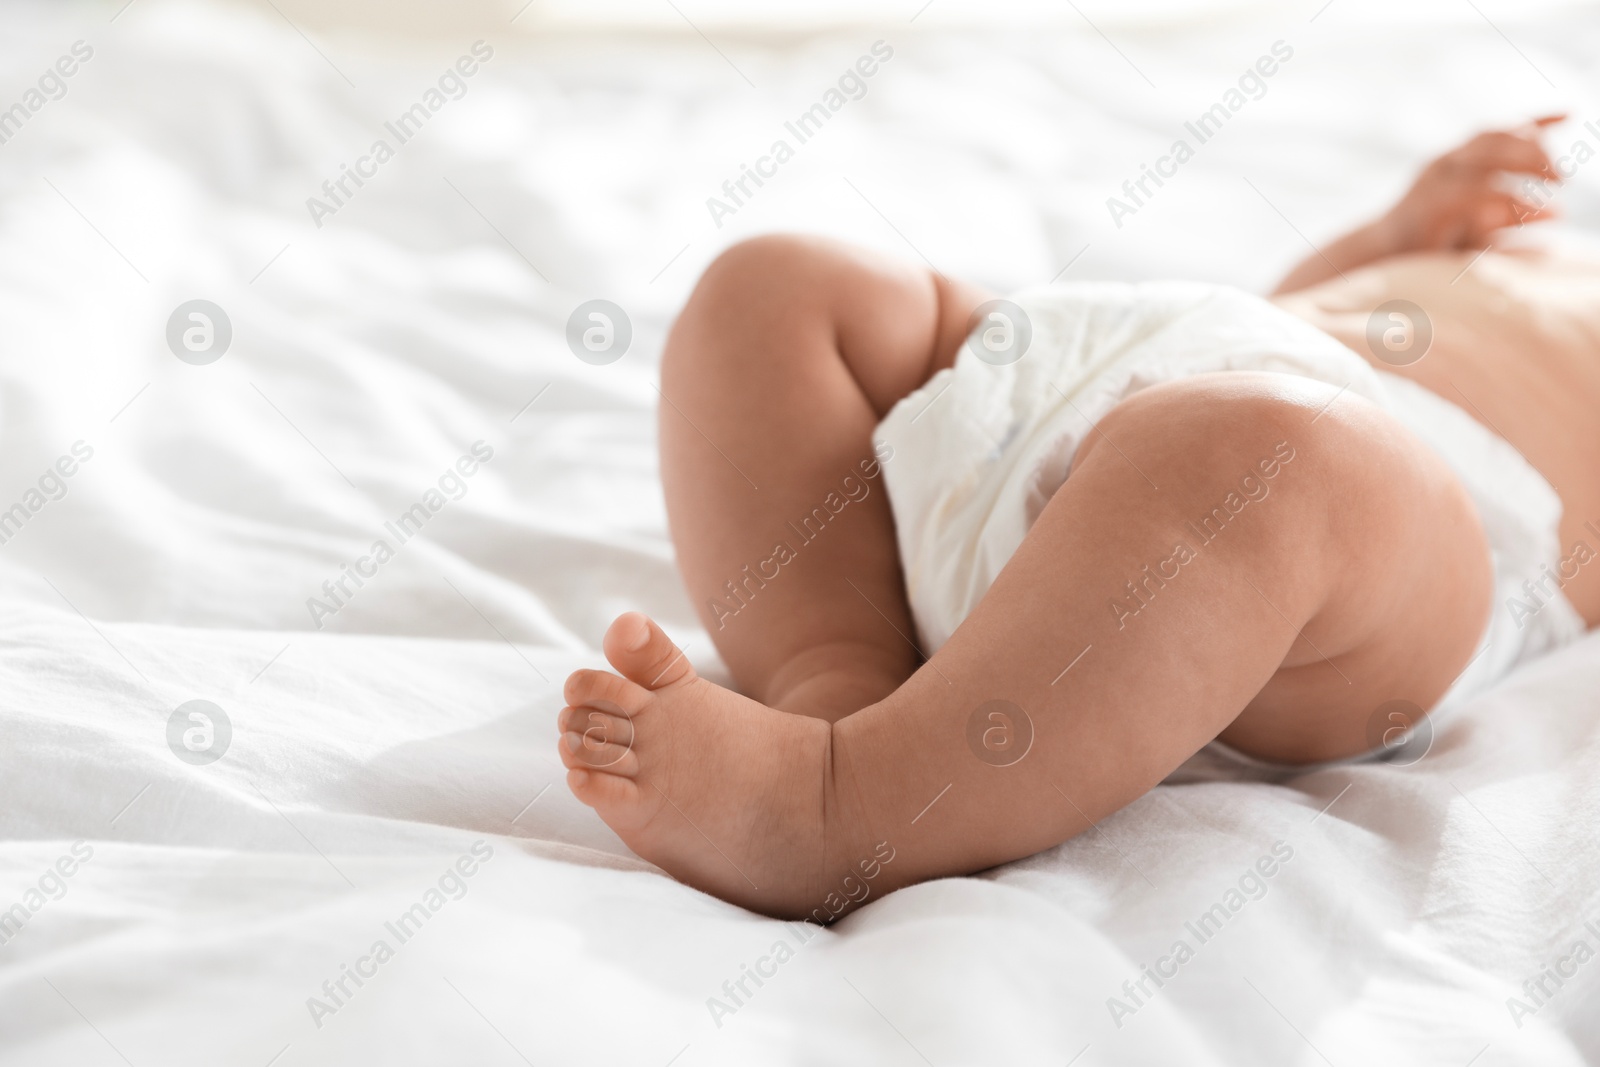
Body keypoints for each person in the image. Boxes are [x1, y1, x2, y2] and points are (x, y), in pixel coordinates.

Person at [556, 115, 1599, 921]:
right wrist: (1392, 233)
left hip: (1415, 525)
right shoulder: (1551, 244)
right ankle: (835, 673)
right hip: (1131, 370)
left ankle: (840, 805)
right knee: (773, 287)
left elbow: (1280, 425)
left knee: (1274, 452)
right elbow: (1296, 314)